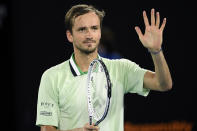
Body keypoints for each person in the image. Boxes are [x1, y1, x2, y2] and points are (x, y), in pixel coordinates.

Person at [36, 4, 172, 131]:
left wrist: (156, 51)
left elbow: (163, 84)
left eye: (94, 28)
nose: (89, 35)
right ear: (69, 35)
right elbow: (46, 128)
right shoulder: (51, 76)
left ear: (100, 33)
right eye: (82, 29)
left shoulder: (121, 68)